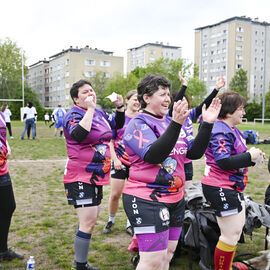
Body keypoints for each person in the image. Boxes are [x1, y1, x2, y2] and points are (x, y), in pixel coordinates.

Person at [122, 74, 221, 270]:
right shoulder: (138, 124)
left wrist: (207, 124)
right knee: (151, 261)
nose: (168, 98)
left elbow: (193, 153)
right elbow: (153, 155)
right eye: (162, 94)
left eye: (168, 93)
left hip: (175, 200)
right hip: (147, 199)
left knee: (167, 255)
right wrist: (176, 123)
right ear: (146, 98)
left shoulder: (170, 122)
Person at [62, 79, 125, 270]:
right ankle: (79, 265)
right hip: (80, 175)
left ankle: (81, 262)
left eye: (92, 90)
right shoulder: (72, 114)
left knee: (92, 219)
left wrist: (120, 107)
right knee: (87, 222)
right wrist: (89, 110)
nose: (90, 94)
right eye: (84, 92)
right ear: (76, 98)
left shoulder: (99, 113)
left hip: (97, 175)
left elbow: (116, 125)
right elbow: (79, 134)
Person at [201, 91, 265, 270]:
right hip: (220, 186)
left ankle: (226, 266)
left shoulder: (231, 129)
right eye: (240, 108)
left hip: (230, 185)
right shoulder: (220, 130)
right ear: (229, 111)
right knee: (230, 235)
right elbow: (223, 162)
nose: (243, 112)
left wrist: (253, 158)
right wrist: (248, 156)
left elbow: (237, 159)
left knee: (234, 232)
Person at [170, 74, 226, 192]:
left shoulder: (190, 114)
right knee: (174, 191)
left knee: (187, 193)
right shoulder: (170, 116)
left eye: (185, 102)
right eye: (180, 102)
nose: (184, 104)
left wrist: (216, 89)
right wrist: (184, 85)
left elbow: (204, 104)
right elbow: (176, 100)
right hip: (174, 160)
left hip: (187, 160)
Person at [103, 89, 140, 235]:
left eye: (139, 100)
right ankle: (111, 220)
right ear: (127, 100)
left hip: (136, 164)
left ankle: (129, 224)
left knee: (132, 196)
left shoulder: (142, 119)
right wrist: (115, 159)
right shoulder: (119, 118)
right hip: (119, 161)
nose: (137, 102)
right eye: (134, 99)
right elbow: (110, 142)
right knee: (115, 194)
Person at [0, 110, 24, 261]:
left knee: (8, 206)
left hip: (2, 169)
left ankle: (2, 250)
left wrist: (7, 146)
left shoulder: (1, 115)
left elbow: (2, 136)